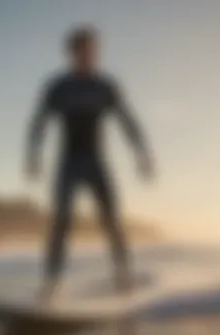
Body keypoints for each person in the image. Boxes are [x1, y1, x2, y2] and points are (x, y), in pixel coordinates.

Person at [25, 25, 155, 303]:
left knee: (111, 219)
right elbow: (39, 122)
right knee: (61, 220)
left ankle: (123, 275)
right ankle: (51, 283)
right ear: (72, 53)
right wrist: (33, 154)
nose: (90, 56)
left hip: (97, 162)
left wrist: (141, 152)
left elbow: (127, 120)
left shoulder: (105, 86)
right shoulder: (58, 88)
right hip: (69, 163)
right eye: (84, 51)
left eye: (94, 50)